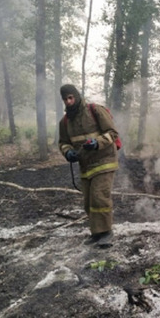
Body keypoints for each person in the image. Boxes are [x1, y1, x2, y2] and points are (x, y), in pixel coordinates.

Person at [58, 84, 119, 248]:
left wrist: (97, 142)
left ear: (76, 96)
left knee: (99, 196)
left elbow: (113, 132)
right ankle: (96, 233)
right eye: (65, 99)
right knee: (88, 201)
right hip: (85, 165)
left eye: (71, 98)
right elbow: (63, 142)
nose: (69, 102)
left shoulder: (95, 110)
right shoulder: (65, 122)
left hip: (104, 159)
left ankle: (106, 233)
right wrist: (68, 152)